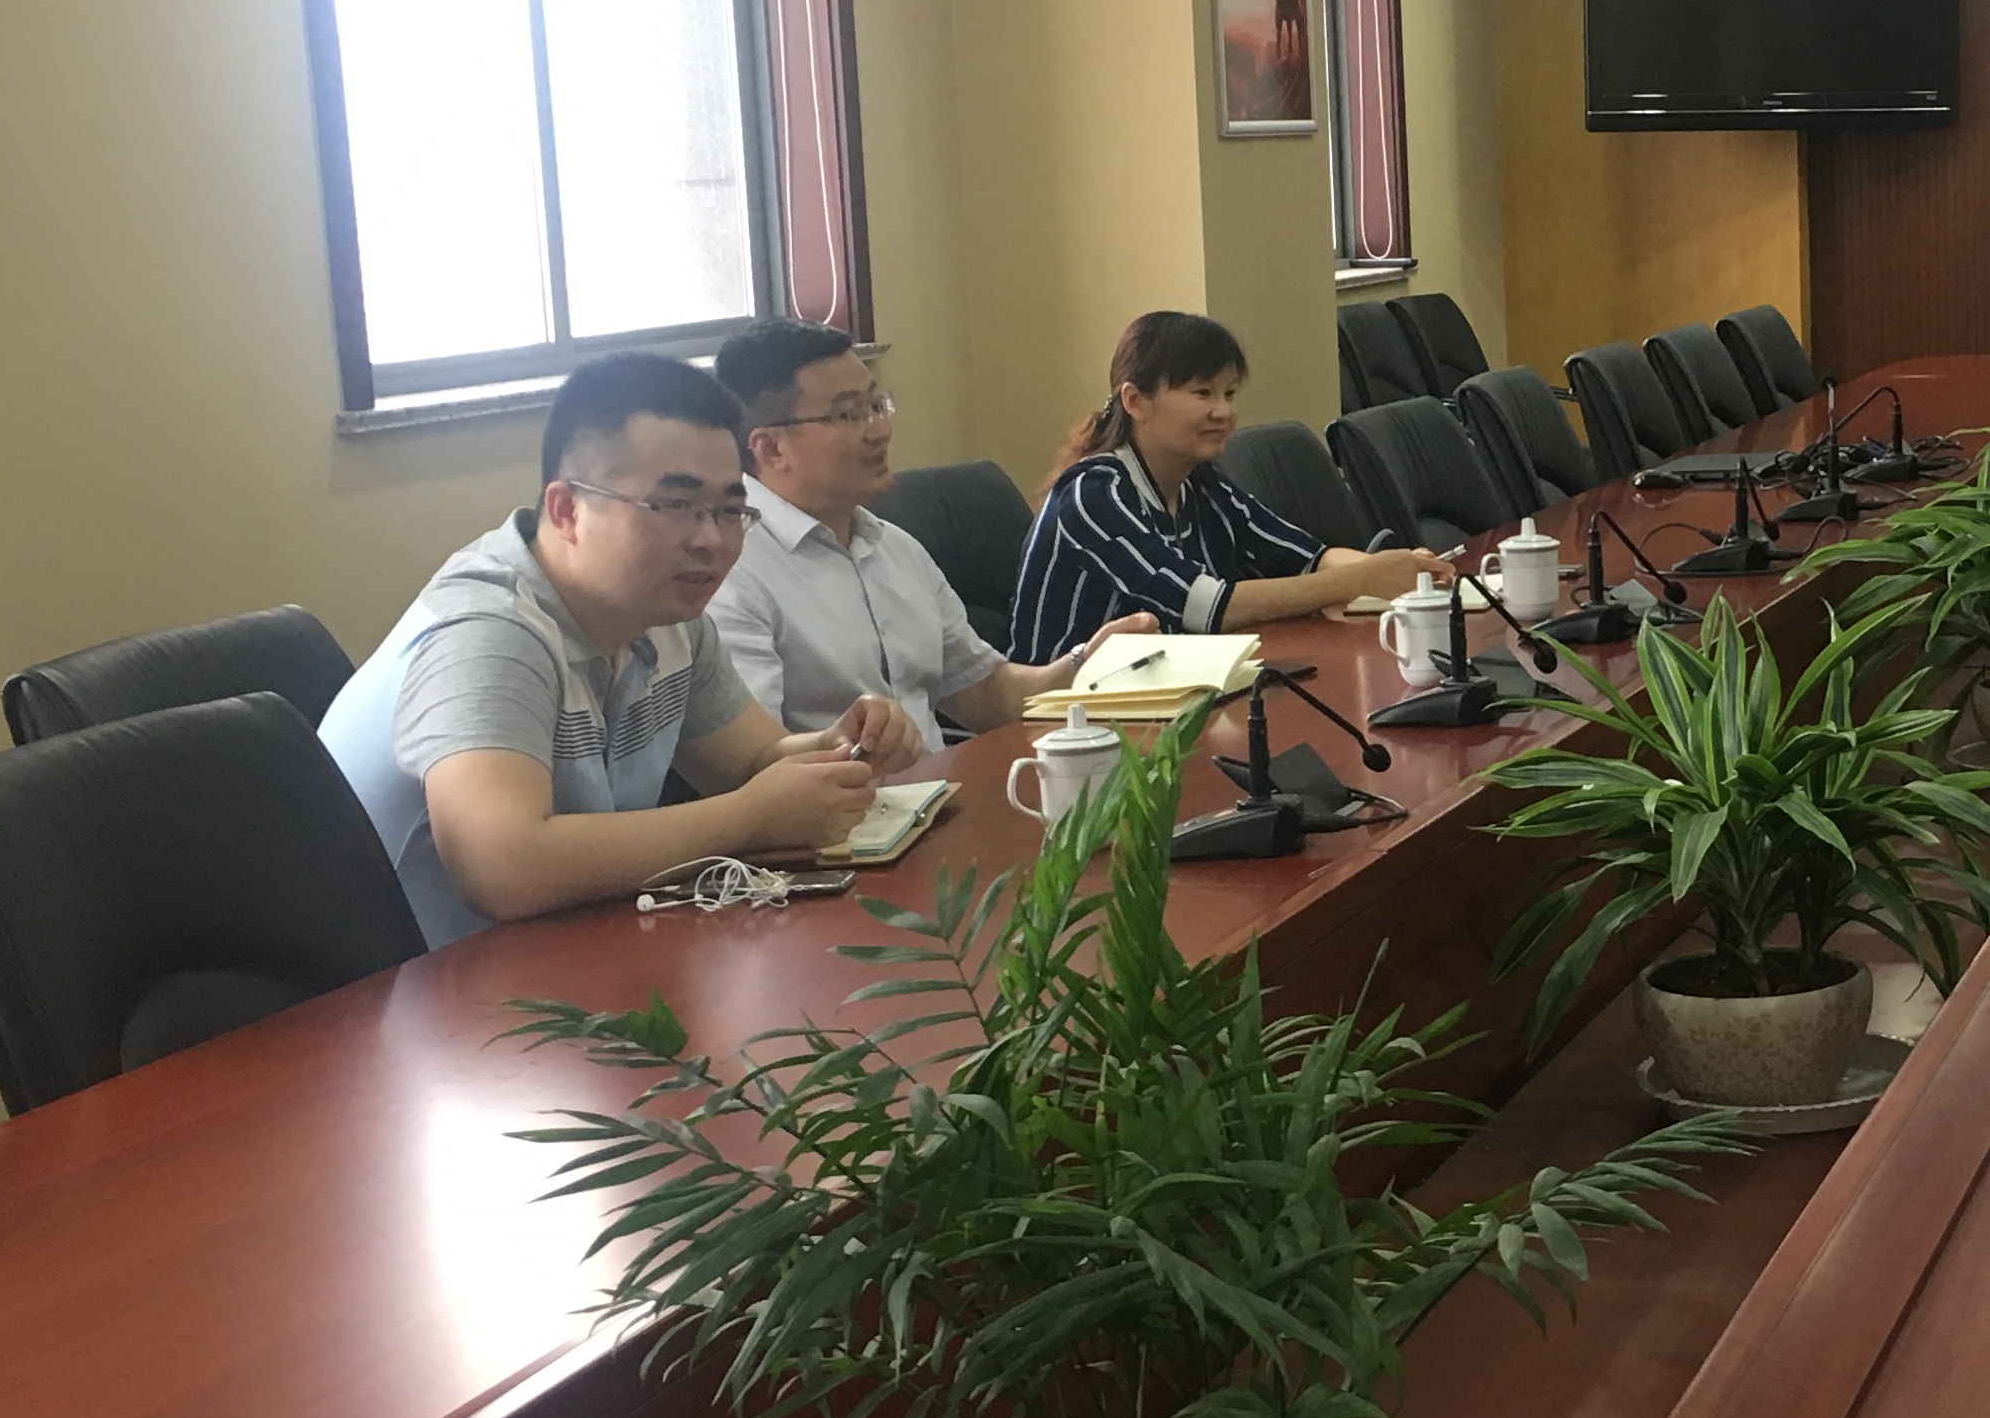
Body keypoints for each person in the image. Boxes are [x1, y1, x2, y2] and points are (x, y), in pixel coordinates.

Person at [321, 352, 912, 948]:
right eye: (674, 506)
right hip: (398, 982)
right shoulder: (489, 630)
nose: (710, 538)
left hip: (560, 950)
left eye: (730, 510)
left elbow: (753, 761)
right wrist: (751, 818)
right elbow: (502, 868)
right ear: (567, 509)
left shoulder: (666, 615)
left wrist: (839, 748)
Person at [705, 319, 1152, 750]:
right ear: (771, 448)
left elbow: (987, 695)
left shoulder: (894, 547)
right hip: (842, 801)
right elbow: (757, 759)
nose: (880, 430)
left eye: (876, 405)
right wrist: (855, 752)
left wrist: (1085, 663)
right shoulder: (730, 570)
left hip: (939, 791)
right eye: (850, 414)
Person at [1008, 311, 1445, 655]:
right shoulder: (1092, 494)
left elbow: (1307, 558)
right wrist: (1362, 579)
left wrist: (1409, 571)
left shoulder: (1200, 483)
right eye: (1203, 393)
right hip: (1066, 718)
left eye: (1230, 394)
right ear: (1135, 401)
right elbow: (1206, 607)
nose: (1224, 412)